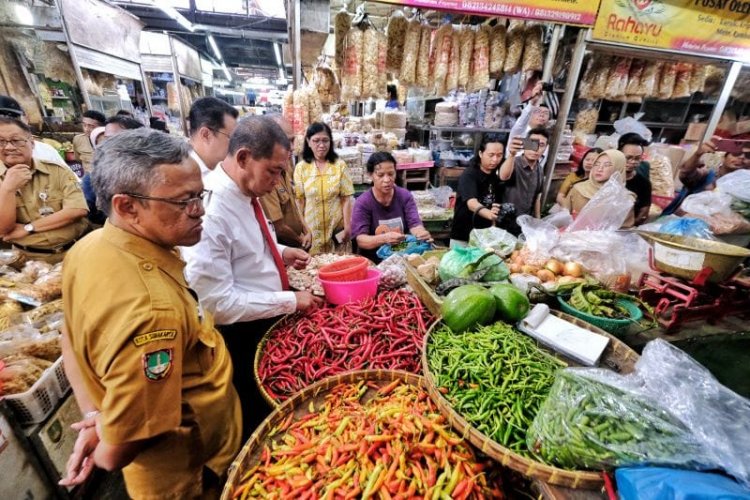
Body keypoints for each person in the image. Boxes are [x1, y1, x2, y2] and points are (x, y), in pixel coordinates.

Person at [58, 129, 240, 498]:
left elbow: (68, 338)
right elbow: (117, 453)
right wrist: (106, 437)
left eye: (199, 194)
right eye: (183, 201)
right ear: (127, 206)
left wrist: (96, 416)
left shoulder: (91, 247)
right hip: (190, 472)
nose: (199, 210)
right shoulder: (152, 313)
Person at [182, 116, 322, 440]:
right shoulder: (212, 211)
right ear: (244, 157)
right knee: (259, 416)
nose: (279, 180)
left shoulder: (245, 193)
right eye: (273, 170)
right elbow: (215, 303)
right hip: (241, 335)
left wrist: (282, 251)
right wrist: (290, 300)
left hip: (266, 317)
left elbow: (249, 246)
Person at [0, 117, 88, 263]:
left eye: (16, 140)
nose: (9, 147)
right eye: (1, 141)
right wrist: (8, 189)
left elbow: (77, 210)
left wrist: (29, 227)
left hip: (77, 251)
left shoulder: (57, 171)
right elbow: (3, 230)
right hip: (30, 260)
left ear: (32, 143)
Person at [351, 152, 432, 261]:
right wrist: (384, 238)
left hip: (401, 254)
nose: (387, 180)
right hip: (373, 260)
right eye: (380, 175)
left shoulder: (404, 196)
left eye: (391, 174)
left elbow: (415, 224)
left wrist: (421, 234)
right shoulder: (363, 202)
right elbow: (361, 240)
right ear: (370, 175)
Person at [294, 122, 354, 254]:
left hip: (336, 228)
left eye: (325, 140)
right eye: (316, 141)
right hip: (312, 230)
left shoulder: (339, 166)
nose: (321, 145)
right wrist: (305, 230)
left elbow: (346, 199)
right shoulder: (301, 168)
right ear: (308, 142)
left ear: (330, 142)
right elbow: (299, 202)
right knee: (315, 268)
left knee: (338, 266)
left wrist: (348, 226)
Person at [260, 115, 312, 249]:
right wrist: (301, 241)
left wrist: (307, 230)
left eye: (293, 140)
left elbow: (294, 204)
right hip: (284, 248)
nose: (292, 147)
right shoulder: (264, 177)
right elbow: (278, 226)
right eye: (287, 141)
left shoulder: (286, 166)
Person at [662, 135, 748, 216]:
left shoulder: (745, 186)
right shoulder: (707, 175)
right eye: (736, 154)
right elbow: (686, 173)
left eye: (748, 156)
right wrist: (698, 154)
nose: (741, 158)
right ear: (723, 158)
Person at [82, 118, 144, 226]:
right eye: (106, 139)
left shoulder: (156, 171)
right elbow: (91, 211)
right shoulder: (94, 177)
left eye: (116, 139)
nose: (108, 144)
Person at [449, 134, 506, 247]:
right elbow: (471, 203)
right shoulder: (469, 174)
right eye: (491, 155)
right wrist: (490, 214)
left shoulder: (496, 177)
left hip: (484, 237)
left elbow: (495, 204)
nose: (495, 159)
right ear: (480, 153)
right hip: (463, 236)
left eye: (499, 155)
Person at [561, 149, 636, 228]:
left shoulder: (624, 199)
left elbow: (624, 230)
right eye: (596, 164)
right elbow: (563, 216)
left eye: (607, 165)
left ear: (618, 168)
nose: (599, 169)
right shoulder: (578, 189)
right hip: (571, 237)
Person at [0, 95, 68, 168]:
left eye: (13, 118)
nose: (6, 123)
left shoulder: (45, 151)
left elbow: (69, 178)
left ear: (26, 119)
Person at [499, 128, 549, 224]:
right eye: (532, 143)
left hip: (526, 222)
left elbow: (537, 197)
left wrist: (538, 221)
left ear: (546, 148)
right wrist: (512, 154)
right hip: (507, 220)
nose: (536, 148)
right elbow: (503, 176)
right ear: (525, 144)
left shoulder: (539, 169)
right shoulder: (514, 162)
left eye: (541, 145)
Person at [188, 97, 239, 180]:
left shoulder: (218, 169)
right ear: (206, 135)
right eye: (231, 138)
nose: (236, 145)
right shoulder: (183, 177)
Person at [507, 81, 551, 166]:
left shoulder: (544, 139)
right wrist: (533, 103)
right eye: (538, 111)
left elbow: (540, 164)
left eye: (545, 113)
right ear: (530, 114)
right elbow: (521, 123)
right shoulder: (520, 132)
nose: (542, 115)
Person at [619, 133, 652, 225]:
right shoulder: (607, 177)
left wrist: (629, 225)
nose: (633, 162)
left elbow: (644, 212)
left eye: (637, 158)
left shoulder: (644, 183)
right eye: (628, 158)